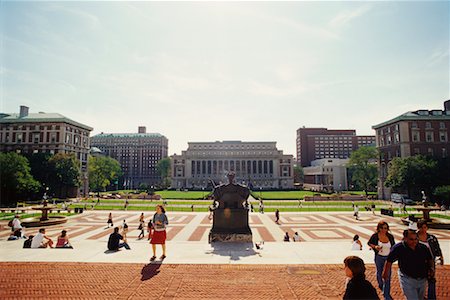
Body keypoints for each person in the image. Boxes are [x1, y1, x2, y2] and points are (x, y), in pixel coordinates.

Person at [382, 229, 433, 300]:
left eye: (416, 239)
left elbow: (430, 259)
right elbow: (389, 260)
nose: (414, 241)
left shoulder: (423, 248)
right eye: (411, 239)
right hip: (407, 279)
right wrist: (385, 272)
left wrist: (431, 269)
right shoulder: (398, 248)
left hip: (422, 279)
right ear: (405, 238)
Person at [367, 221, 395, 300]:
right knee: (379, 273)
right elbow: (369, 243)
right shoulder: (375, 236)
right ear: (378, 228)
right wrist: (375, 247)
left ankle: (386, 293)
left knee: (387, 275)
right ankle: (381, 285)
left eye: (385, 228)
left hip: (388, 258)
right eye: (381, 228)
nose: (383, 230)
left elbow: (393, 246)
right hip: (379, 257)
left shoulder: (390, 236)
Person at [417, 220, 444, 300]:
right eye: (421, 227)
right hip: (418, 262)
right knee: (419, 281)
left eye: (425, 227)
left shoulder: (431, 238)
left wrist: (440, 257)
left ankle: (432, 297)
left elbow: (437, 248)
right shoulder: (414, 238)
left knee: (431, 280)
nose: (423, 229)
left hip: (430, 262)